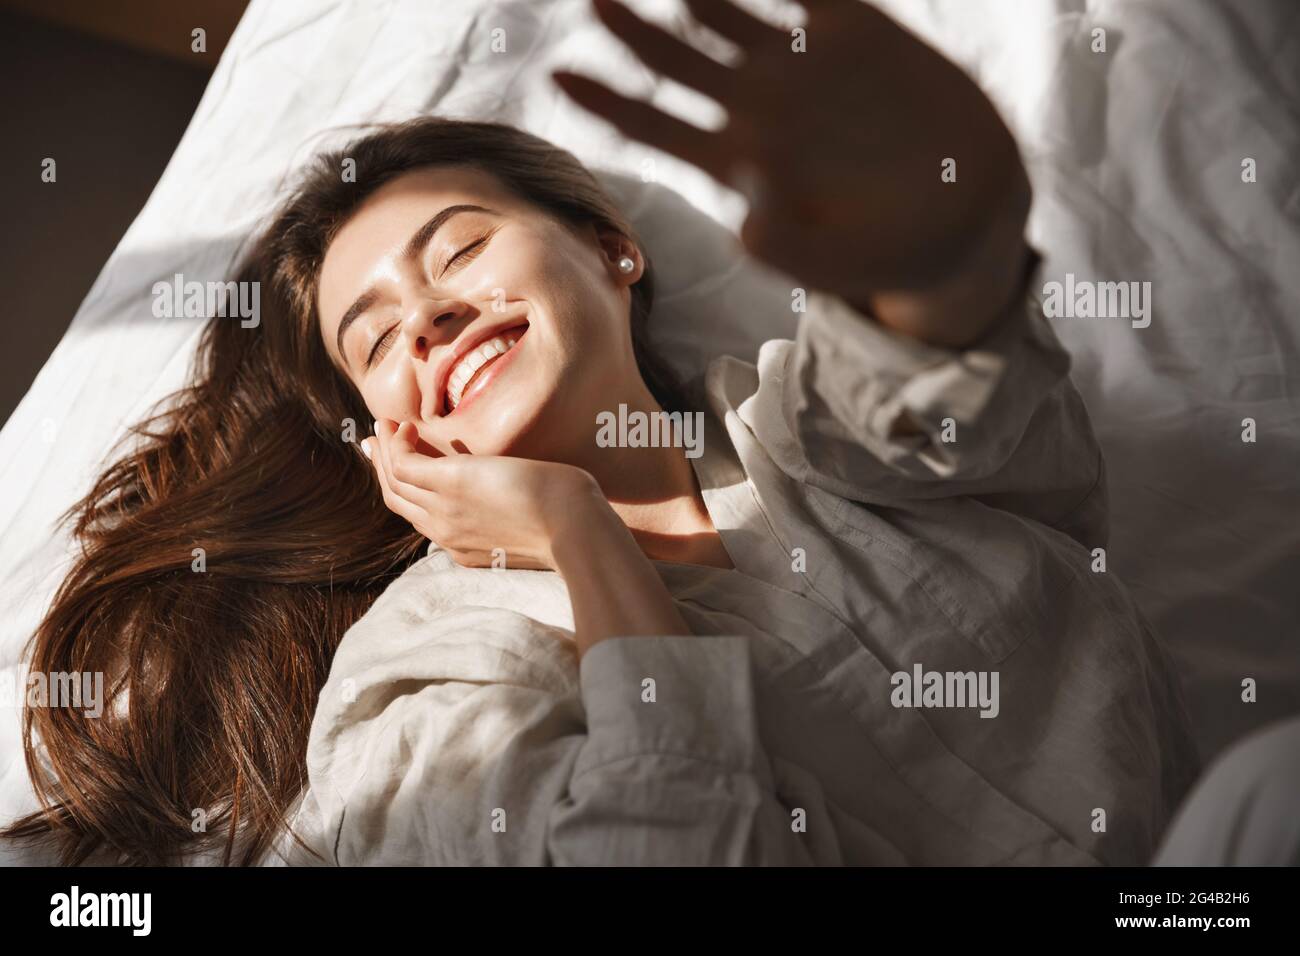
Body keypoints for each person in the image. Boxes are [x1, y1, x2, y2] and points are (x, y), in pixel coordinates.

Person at [3, 0, 1197, 866]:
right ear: (381, 430)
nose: (428, 315)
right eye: (372, 339)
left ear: (612, 249)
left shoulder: (799, 423)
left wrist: (947, 245)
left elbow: (943, 397)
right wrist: (584, 541)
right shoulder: (422, 680)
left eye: (461, 248)